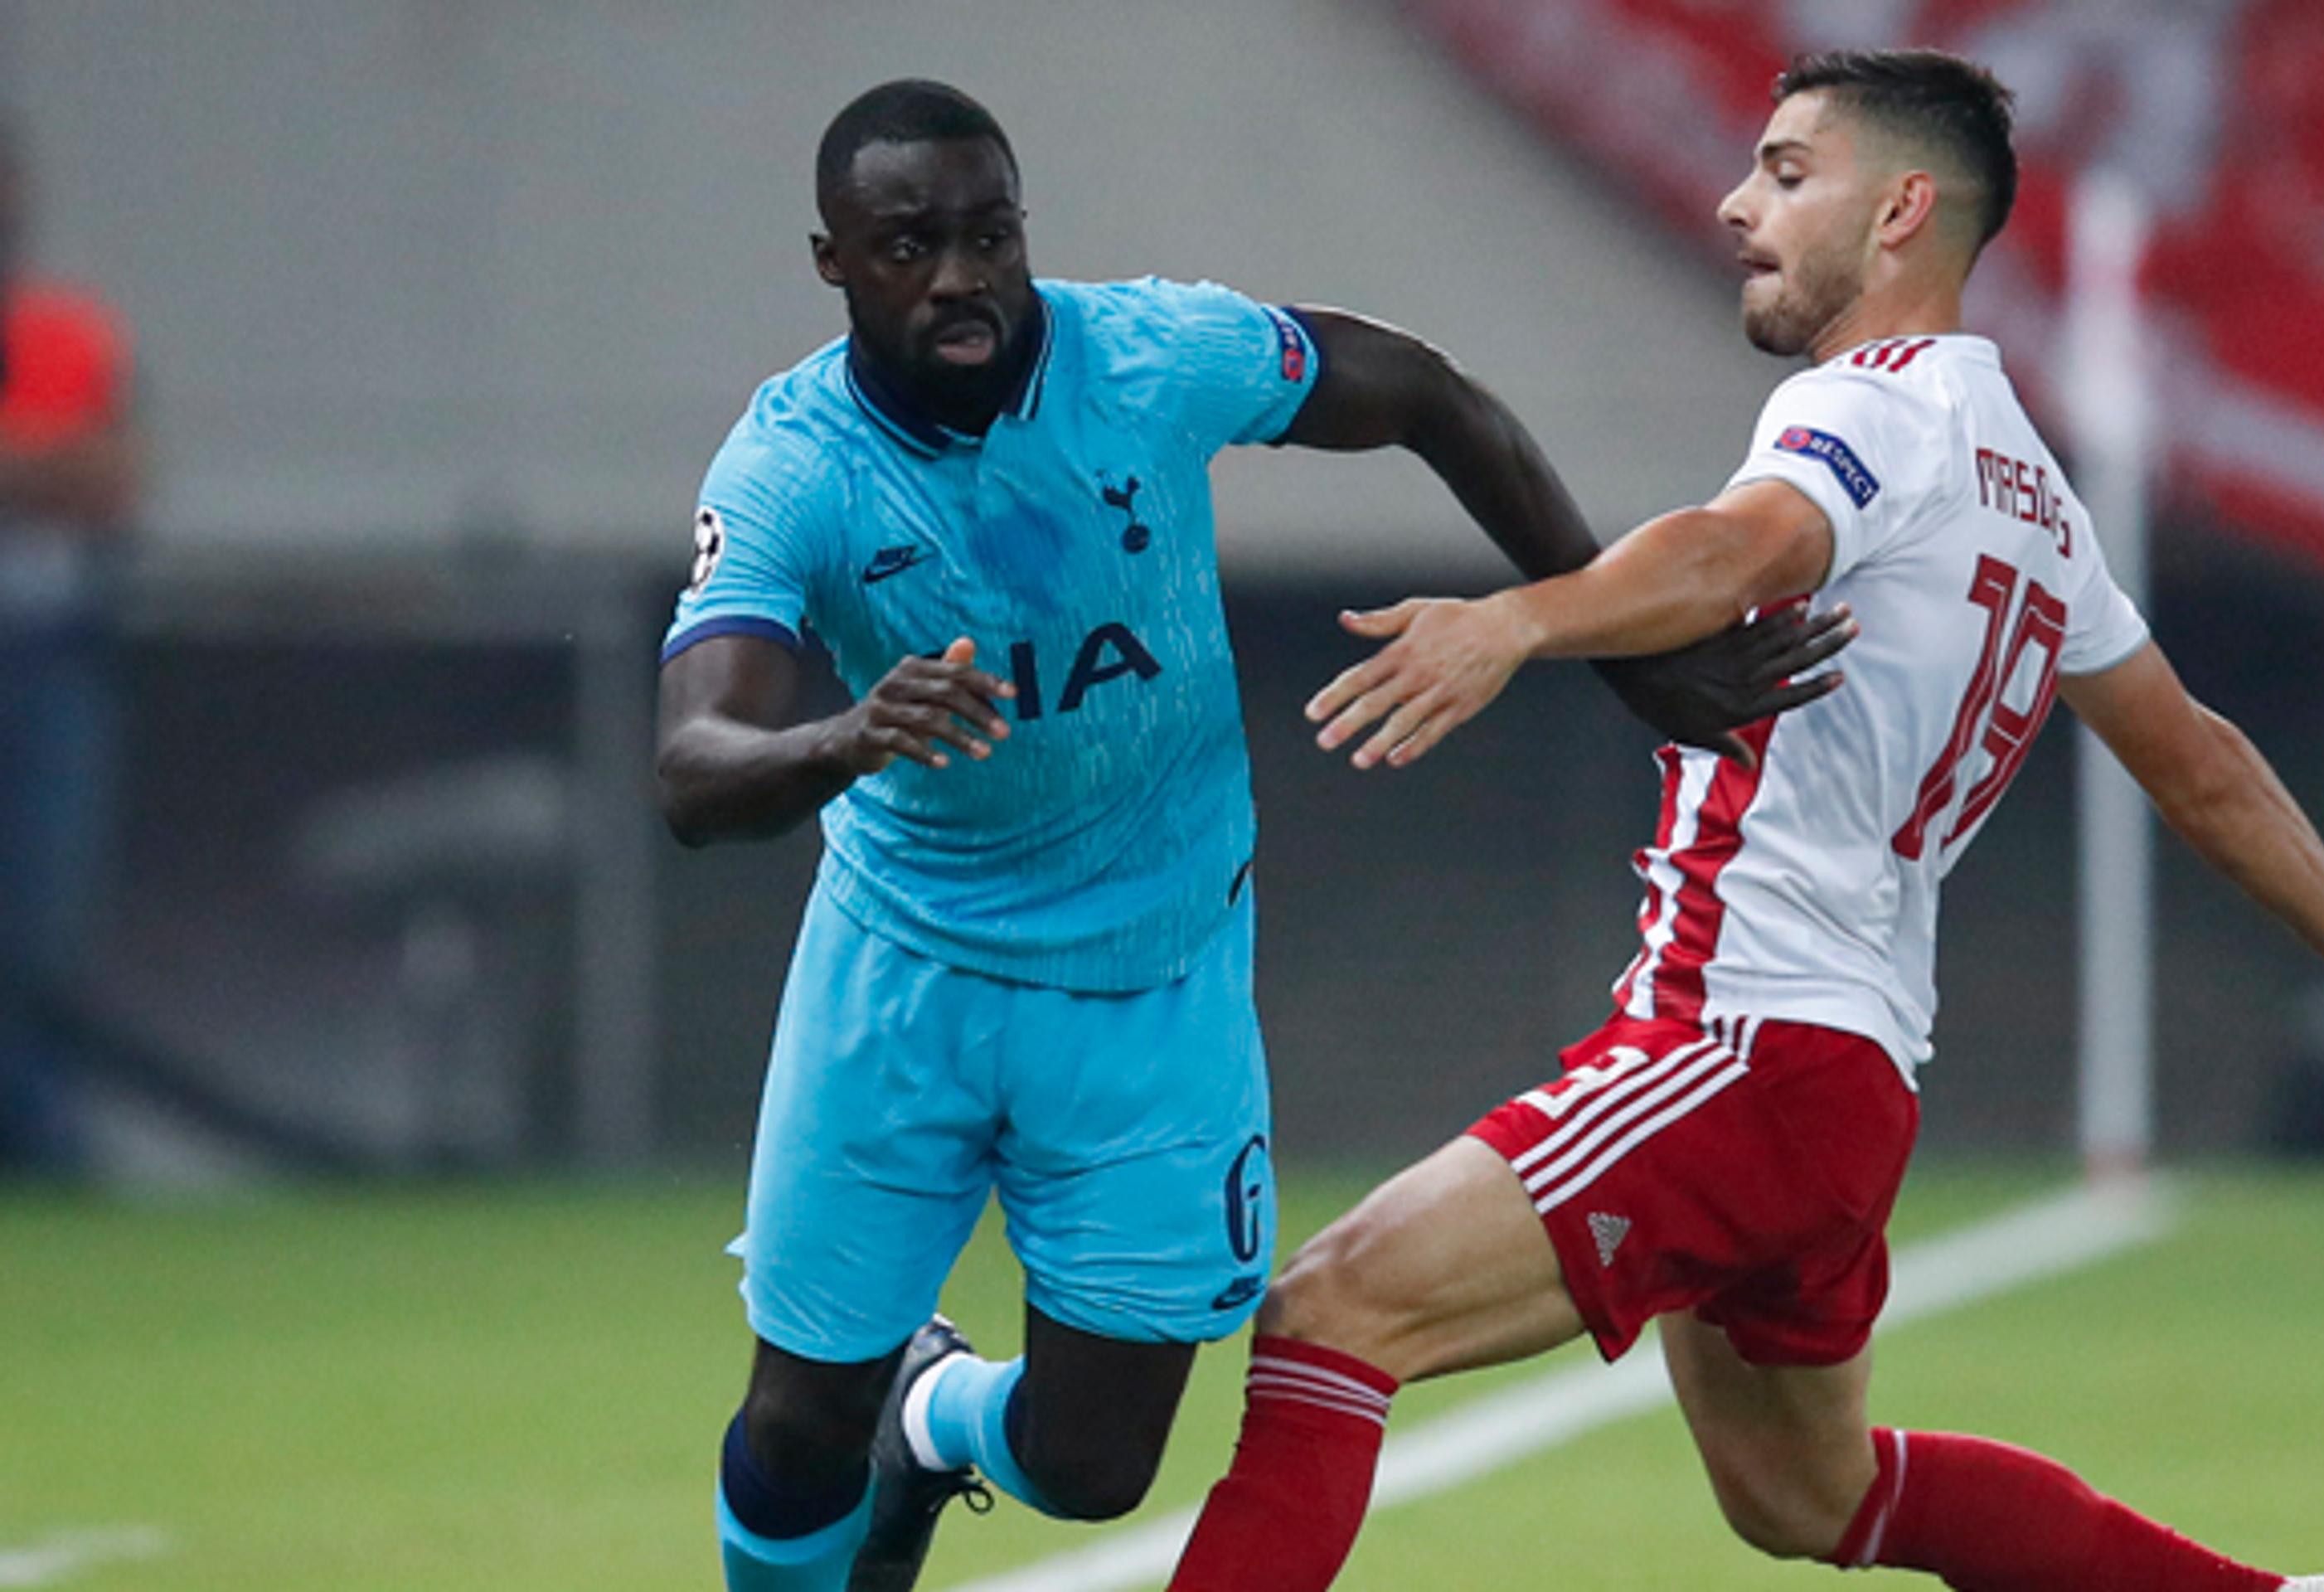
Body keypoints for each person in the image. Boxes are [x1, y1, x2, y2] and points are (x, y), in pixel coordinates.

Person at [1164, 50, 2324, 1592]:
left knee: (1333, 1311)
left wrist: (1518, 621)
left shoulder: (1874, 411)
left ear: (1904, 209)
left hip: (1739, 1044)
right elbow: (2197, 759)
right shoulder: (2033, 492)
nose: (1738, 204)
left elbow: (1739, 551)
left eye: (1788, 173)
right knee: (1807, 1497)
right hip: (1845, 1083)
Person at [652, 80, 1844, 1592]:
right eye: (908, 246)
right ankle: (858, 1440)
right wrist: (844, 737)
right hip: (906, 971)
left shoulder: (1148, 356)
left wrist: (1608, 638)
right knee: (796, 1416)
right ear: (832, 262)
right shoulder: (792, 468)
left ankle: (936, 1415)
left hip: (1156, 974)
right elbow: (694, 769)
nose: (959, 278)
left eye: (989, 236)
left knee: (1097, 1466)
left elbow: (1421, 391)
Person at [0, 115, 139, 1174]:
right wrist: (41, 468)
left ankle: (39, 1139)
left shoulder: (66, 333)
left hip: (44, 655)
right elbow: (66, 470)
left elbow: (112, 480)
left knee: (39, 920)